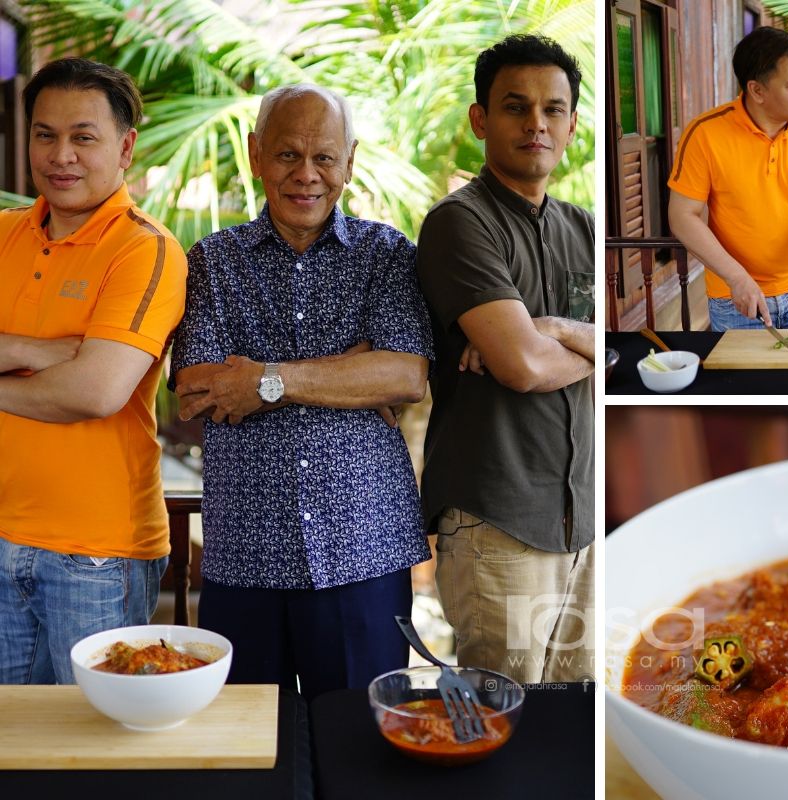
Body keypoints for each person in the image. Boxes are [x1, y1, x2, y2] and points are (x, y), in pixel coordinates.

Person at [169, 85, 434, 698]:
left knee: (360, 745)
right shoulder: (213, 261)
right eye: (288, 155)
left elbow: (406, 376)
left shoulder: (387, 254)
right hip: (244, 553)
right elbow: (198, 388)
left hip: (362, 548)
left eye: (325, 157)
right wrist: (349, 369)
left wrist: (266, 379)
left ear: (350, 160)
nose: (307, 175)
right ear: (257, 154)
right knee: (249, 748)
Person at [0, 58, 187, 684]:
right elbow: (85, 373)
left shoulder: (145, 249)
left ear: (125, 146)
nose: (62, 156)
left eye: (84, 136)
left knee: (96, 752)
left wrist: (47, 358)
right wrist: (52, 350)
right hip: (0, 534)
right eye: (45, 135)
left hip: (96, 552)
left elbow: (97, 390)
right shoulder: (3, 235)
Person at [416, 34, 594, 684]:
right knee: (502, 718)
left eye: (553, 109)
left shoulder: (581, 226)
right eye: (516, 107)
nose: (536, 123)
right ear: (480, 119)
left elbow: (619, 348)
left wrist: (554, 329)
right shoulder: (461, 224)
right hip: (499, 523)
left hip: (584, 520)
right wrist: (586, 345)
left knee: (576, 718)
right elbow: (521, 366)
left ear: (572, 124)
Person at [668, 26, 788, 341]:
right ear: (757, 90)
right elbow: (682, 215)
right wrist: (737, 278)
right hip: (736, 301)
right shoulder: (705, 133)